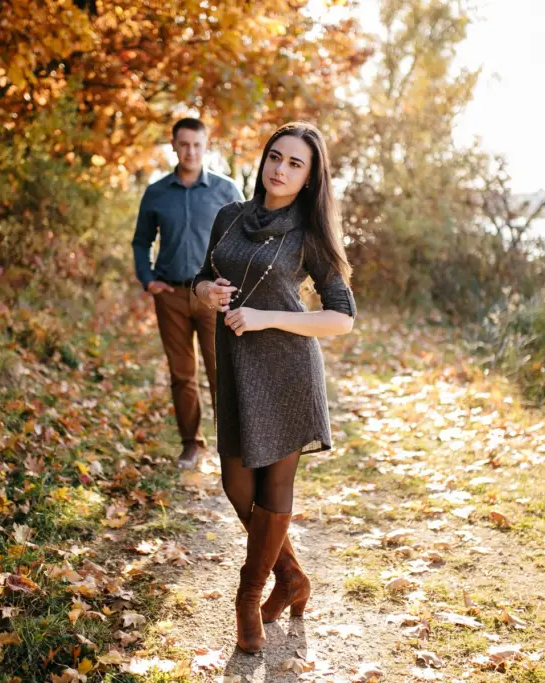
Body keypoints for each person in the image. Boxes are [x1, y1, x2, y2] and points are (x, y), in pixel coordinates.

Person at [191, 122, 356, 653]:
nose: (280, 169)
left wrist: (265, 318)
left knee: (274, 488)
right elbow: (200, 276)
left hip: (288, 369)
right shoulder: (229, 216)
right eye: (275, 157)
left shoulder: (308, 232)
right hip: (237, 366)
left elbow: (342, 318)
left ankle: (248, 598)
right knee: (238, 487)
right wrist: (205, 292)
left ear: (309, 178)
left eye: (294, 163)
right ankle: (292, 577)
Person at [133, 118, 244, 469]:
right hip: (173, 296)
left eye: (197, 144)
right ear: (174, 146)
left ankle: (232, 446)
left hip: (214, 297)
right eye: (184, 144)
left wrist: (233, 282)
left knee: (221, 373)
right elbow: (141, 241)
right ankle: (191, 445)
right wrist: (148, 278)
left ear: (205, 146)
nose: (190, 151)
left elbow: (246, 239)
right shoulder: (156, 193)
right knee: (182, 375)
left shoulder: (226, 191)